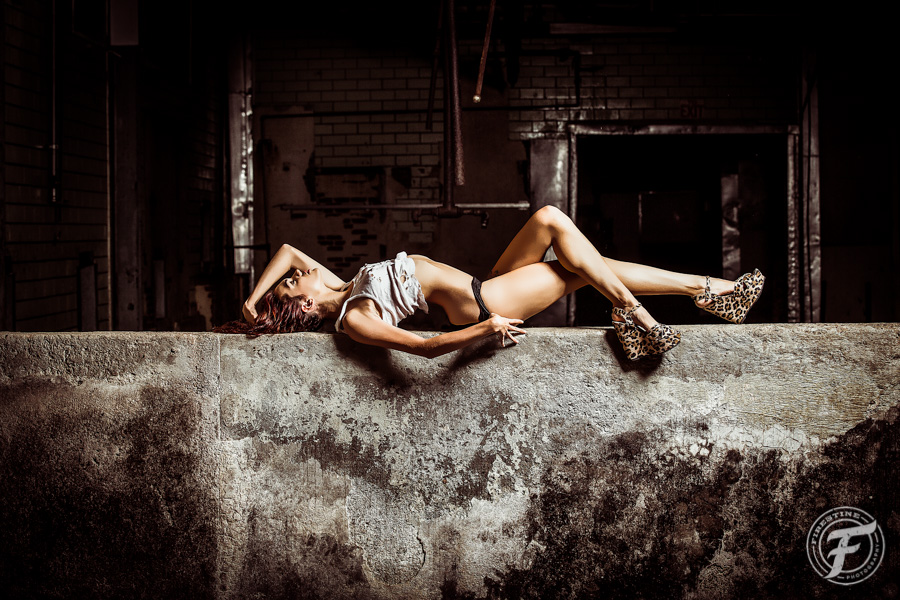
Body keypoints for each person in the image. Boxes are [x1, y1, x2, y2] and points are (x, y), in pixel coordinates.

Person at [235, 206, 764, 360]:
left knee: (574, 252)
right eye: (290, 288)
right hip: (485, 302)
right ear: (305, 310)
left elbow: (288, 251)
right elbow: (424, 349)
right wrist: (486, 329)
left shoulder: (342, 286)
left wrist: (255, 300)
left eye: (289, 281)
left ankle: (706, 292)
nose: (295, 276)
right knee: (567, 243)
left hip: (481, 283)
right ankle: (652, 311)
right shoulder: (353, 316)